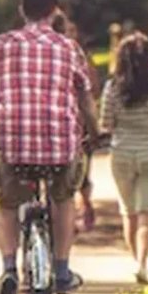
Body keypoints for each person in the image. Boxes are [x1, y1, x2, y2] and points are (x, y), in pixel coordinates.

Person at [0, 0, 99, 294]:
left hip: (12, 141)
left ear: (21, 9)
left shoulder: (3, 44)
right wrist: (96, 131)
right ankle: (62, 268)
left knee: (8, 204)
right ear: (54, 10)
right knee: (63, 197)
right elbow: (85, 97)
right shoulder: (68, 47)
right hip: (59, 143)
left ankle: (10, 269)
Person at [101, 33, 148, 284]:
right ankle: (143, 263)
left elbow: (106, 123)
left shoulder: (112, 87)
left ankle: (136, 261)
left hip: (122, 153)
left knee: (129, 212)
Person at [57, 15, 100, 231]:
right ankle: (70, 214)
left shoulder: (84, 59)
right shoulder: (54, 57)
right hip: (60, 124)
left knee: (82, 171)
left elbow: (93, 88)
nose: (69, 36)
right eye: (66, 31)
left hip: (81, 123)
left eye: (73, 32)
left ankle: (86, 203)